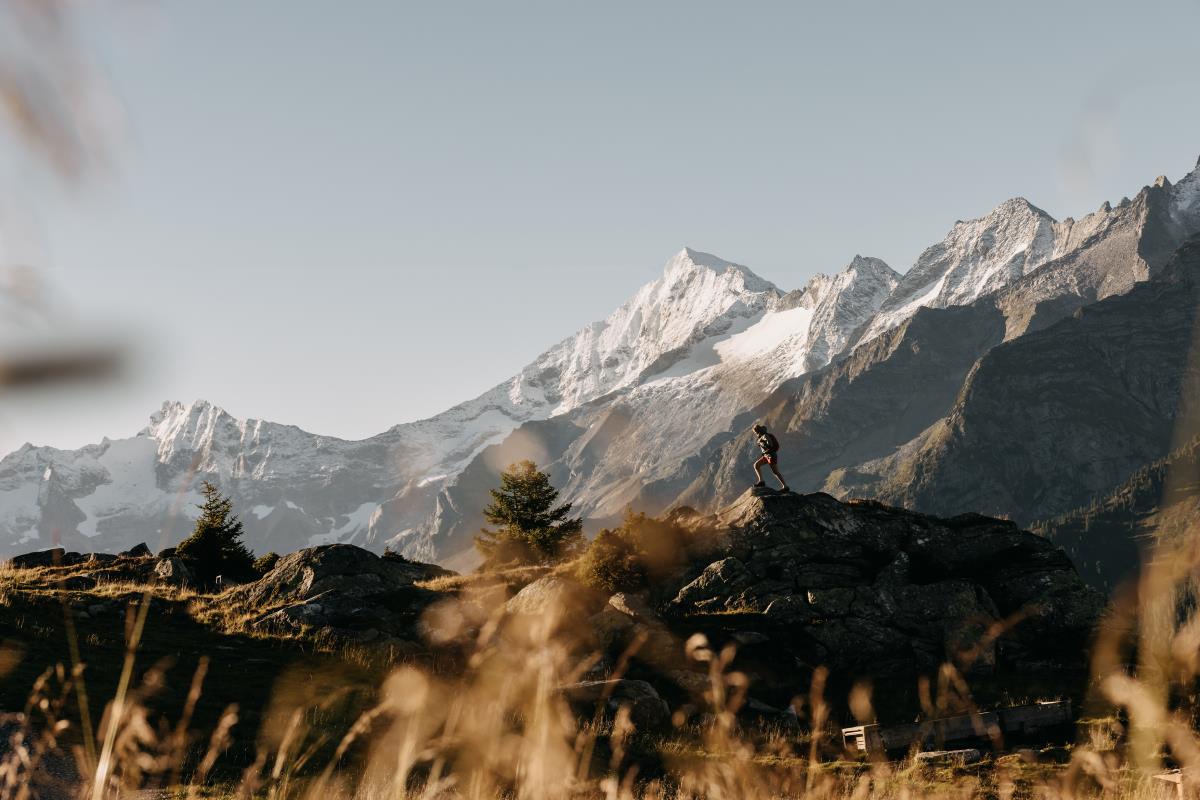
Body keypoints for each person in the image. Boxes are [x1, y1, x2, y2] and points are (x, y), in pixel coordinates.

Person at [752, 423, 789, 491]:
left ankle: (785, 486)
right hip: (767, 456)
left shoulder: (764, 436)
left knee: (775, 471)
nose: (755, 433)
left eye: (755, 432)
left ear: (757, 431)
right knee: (756, 465)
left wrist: (763, 445)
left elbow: (770, 445)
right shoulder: (763, 436)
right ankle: (761, 481)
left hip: (770, 455)